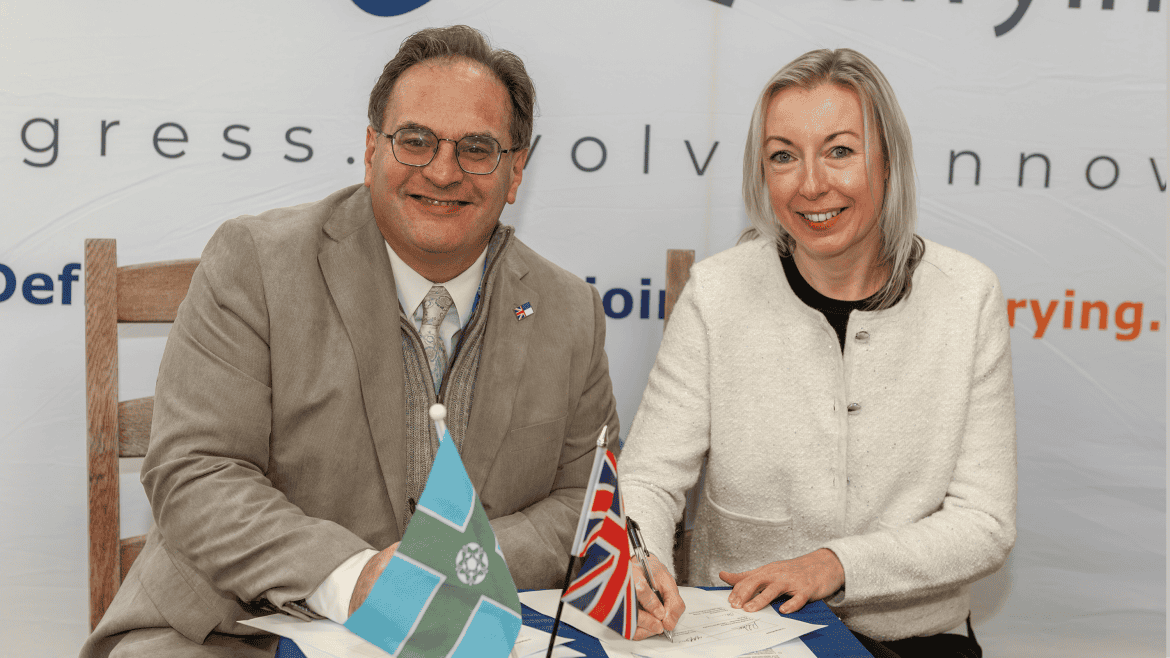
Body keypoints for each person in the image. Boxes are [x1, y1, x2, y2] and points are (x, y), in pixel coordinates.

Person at [81, 25, 620, 658]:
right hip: (234, 632)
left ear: (515, 171)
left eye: (477, 148)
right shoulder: (255, 261)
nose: (443, 171)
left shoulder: (568, 310)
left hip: (466, 637)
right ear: (371, 150)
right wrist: (358, 579)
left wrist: (457, 563)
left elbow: (586, 504)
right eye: (415, 141)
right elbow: (195, 472)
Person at [619, 48, 1016, 657]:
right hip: (747, 636)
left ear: (888, 160)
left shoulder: (968, 296)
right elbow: (649, 477)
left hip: (916, 640)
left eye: (840, 151)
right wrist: (640, 559)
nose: (810, 185)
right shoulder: (718, 293)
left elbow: (984, 526)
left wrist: (835, 563)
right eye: (783, 156)